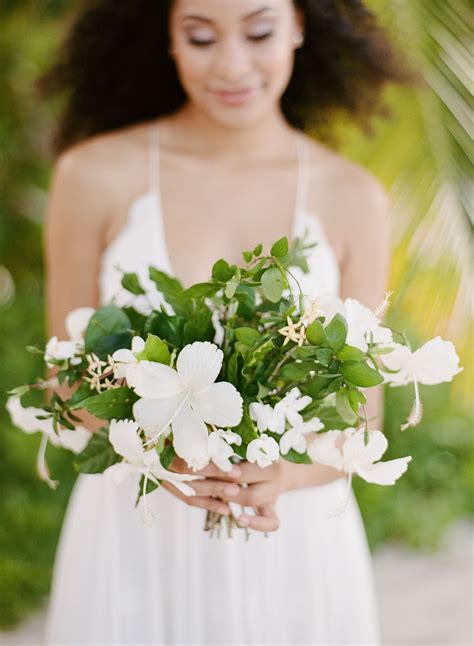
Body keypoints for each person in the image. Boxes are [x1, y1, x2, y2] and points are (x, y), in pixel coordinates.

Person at [40, 1, 412, 643]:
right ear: (165, 36)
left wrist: (283, 476)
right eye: (202, 37)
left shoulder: (351, 196)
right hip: (136, 534)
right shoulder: (93, 177)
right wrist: (161, 456)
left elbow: (363, 421)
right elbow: (65, 386)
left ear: (300, 25)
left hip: (291, 546)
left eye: (259, 31)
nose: (233, 65)